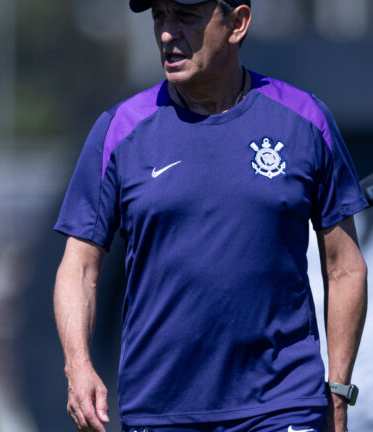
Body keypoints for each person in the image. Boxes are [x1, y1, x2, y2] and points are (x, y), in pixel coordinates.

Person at [52, 1, 368, 432]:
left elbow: (345, 267)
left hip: (283, 405)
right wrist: (78, 367)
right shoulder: (119, 130)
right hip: (161, 409)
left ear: (237, 23)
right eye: (159, 17)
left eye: (185, 16)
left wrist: (336, 390)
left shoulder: (305, 120)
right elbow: (79, 268)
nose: (167, 33)